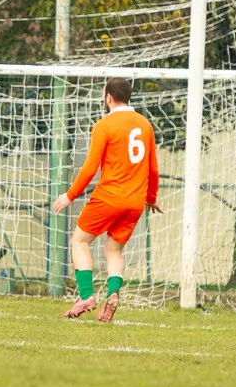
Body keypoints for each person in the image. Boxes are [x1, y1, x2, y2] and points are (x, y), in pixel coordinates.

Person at [52, 78, 161, 323]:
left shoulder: (104, 125)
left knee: (79, 241)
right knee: (114, 250)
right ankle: (113, 293)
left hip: (109, 197)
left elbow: (90, 167)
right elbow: (153, 168)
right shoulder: (144, 125)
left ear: (109, 97)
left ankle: (86, 296)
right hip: (135, 201)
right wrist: (151, 198)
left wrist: (70, 195)